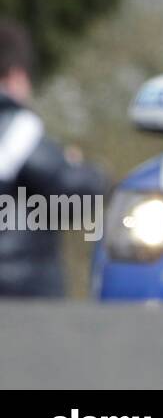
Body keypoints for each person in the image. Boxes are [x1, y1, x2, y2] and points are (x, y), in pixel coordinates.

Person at [0, 18, 109, 296]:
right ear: (16, 75)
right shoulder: (16, 126)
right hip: (19, 293)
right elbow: (71, 189)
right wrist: (87, 171)